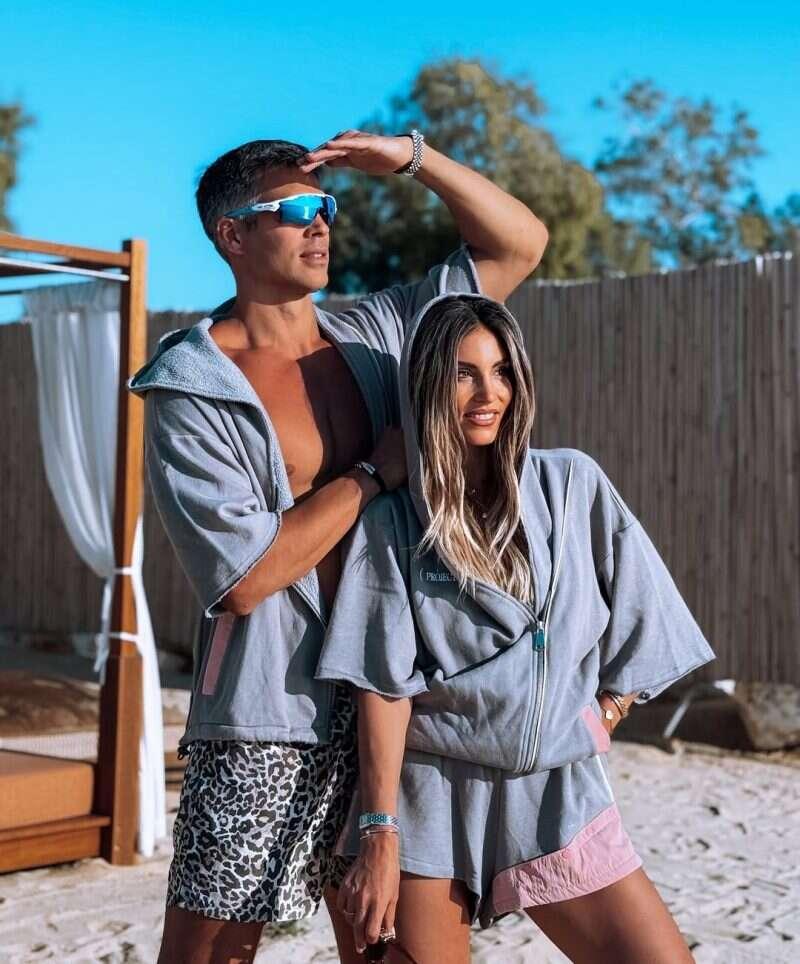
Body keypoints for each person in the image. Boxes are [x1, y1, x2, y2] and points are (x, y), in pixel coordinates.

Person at [128, 131, 548, 963]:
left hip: (396, 696)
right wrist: (371, 473)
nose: (320, 223)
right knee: (211, 952)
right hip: (266, 712)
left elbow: (519, 244)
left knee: (387, 944)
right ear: (232, 235)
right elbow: (244, 577)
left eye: (325, 205)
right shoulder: (193, 386)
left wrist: (413, 160)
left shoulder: (383, 332)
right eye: (294, 209)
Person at [316, 293, 716, 963]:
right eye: (464, 373)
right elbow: (383, 685)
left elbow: (647, 609)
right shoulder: (393, 522)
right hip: (429, 794)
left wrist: (604, 713)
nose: (488, 393)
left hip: (555, 789)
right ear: (428, 385)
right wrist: (379, 832)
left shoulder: (572, 484)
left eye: (501, 371)